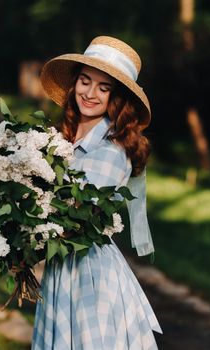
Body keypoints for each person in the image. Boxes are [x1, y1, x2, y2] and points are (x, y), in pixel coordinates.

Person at [33, 35, 162, 349]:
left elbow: (76, 216)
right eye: (84, 81)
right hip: (62, 266)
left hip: (89, 275)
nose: (89, 94)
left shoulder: (111, 151)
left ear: (116, 98)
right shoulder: (64, 140)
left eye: (103, 88)